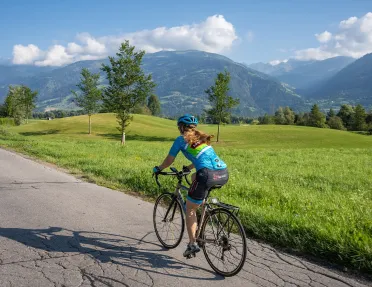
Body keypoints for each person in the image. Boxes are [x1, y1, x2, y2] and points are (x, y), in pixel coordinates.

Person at [153, 114, 229, 257]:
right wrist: (188, 167)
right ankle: (203, 216)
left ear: (181, 127)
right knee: (195, 178)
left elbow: (169, 160)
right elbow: (202, 158)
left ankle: (192, 244)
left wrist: (159, 168)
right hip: (223, 172)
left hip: (206, 174)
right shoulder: (201, 138)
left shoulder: (181, 140)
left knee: (190, 208)